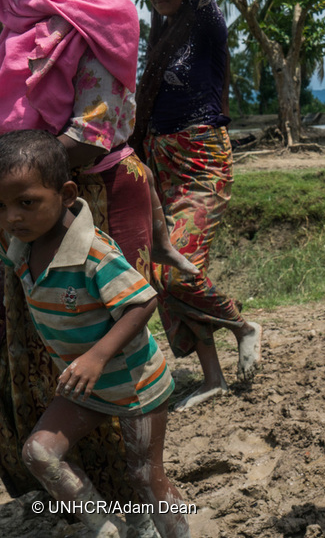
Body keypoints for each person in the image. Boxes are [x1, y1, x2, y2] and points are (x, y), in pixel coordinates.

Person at [0, 0, 183, 523]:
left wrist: (17, 181)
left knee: (104, 326)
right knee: (40, 339)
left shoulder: (103, 9)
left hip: (84, 193)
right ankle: (84, 505)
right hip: (19, 203)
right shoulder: (9, 13)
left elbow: (93, 128)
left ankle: (142, 501)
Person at [0, 130, 190, 538]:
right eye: (1, 207)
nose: (12, 217)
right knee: (39, 454)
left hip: (135, 386)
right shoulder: (20, 246)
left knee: (146, 478)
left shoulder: (93, 252)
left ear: (67, 195)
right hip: (87, 390)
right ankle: (106, 526)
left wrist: (95, 357)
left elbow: (142, 302)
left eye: (26, 203)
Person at [133, 0, 262, 411]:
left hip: (201, 164)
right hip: (162, 168)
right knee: (164, 278)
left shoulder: (205, 25)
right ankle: (212, 378)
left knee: (172, 271)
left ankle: (242, 322)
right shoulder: (160, 35)